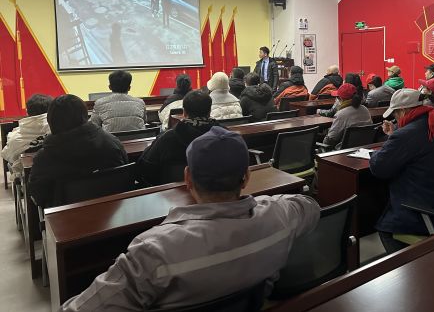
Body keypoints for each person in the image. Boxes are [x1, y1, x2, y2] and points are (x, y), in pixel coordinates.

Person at [59, 127, 320, 312]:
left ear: (187, 178)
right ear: (247, 177)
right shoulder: (281, 218)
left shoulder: (152, 252)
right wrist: (265, 204)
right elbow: (310, 205)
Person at [369, 89, 434, 254]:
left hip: (429, 212)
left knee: (385, 228)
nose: (396, 118)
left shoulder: (406, 134)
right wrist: (395, 135)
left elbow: (379, 168)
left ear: (402, 111)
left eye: (395, 114)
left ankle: (408, 265)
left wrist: (383, 147)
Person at [29, 95, 127, 209]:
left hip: (66, 216)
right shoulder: (112, 143)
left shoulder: (44, 158)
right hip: (114, 211)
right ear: (85, 115)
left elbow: (38, 196)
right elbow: (125, 172)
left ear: (51, 121)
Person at [137, 91, 220, 185]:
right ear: (209, 111)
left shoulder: (167, 138)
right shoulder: (225, 137)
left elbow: (145, 168)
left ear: (184, 112)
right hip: (216, 187)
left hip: (170, 191)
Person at [1, 94, 52, 179]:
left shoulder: (16, 138)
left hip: (30, 179)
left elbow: (8, 156)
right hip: (59, 175)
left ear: (27, 112)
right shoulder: (60, 129)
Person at [323, 84, 372, 149]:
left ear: (341, 99)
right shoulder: (365, 109)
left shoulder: (341, 114)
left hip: (343, 151)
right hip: (364, 148)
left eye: (337, 97)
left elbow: (330, 140)